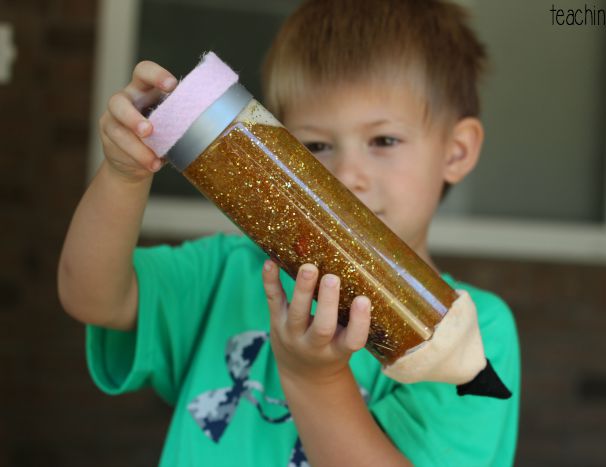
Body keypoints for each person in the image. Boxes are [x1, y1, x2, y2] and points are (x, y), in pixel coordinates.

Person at [57, 0, 520, 465]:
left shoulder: (470, 337)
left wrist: (313, 379)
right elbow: (91, 295)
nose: (346, 174)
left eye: (384, 141)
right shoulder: (227, 273)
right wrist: (123, 176)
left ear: (456, 152)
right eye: (315, 145)